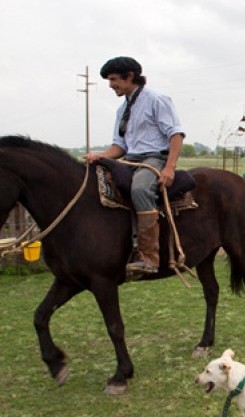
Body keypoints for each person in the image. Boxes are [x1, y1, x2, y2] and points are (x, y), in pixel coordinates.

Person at [85, 56, 185, 275]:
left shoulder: (157, 99)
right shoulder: (122, 110)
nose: (110, 85)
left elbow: (176, 135)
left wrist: (169, 167)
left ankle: (149, 258)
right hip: (130, 159)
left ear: (130, 76)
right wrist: (100, 156)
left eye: (113, 79)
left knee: (140, 189)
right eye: (109, 80)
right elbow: (119, 146)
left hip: (154, 159)